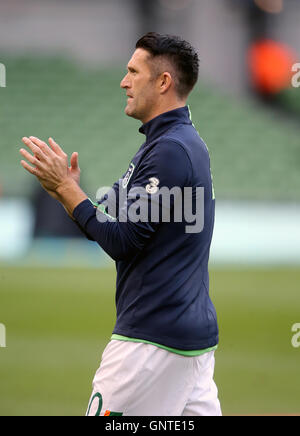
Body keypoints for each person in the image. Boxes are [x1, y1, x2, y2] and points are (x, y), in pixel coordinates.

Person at [19, 32, 222, 416]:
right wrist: (71, 193)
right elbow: (107, 216)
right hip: (185, 342)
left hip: (150, 346)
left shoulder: (171, 150)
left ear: (163, 82)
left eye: (133, 72)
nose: (123, 82)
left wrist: (65, 189)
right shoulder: (168, 144)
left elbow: (124, 240)